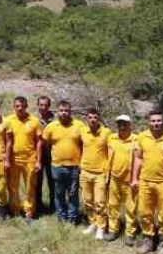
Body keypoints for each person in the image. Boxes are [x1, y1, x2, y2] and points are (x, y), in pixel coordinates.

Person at [132, 110, 163, 254]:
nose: (156, 123)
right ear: (148, 121)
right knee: (145, 213)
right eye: (153, 121)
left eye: (159, 120)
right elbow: (138, 159)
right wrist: (134, 178)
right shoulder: (141, 137)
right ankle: (148, 240)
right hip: (145, 181)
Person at [42, 100, 85, 224]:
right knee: (59, 193)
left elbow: (85, 143)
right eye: (61, 110)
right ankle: (61, 216)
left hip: (75, 166)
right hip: (57, 166)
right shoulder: (51, 127)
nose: (64, 113)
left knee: (73, 193)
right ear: (57, 112)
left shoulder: (79, 125)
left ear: (70, 111)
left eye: (66, 110)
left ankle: (72, 218)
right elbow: (45, 144)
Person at [4, 96, 43, 223]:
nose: (19, 109)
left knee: (30, 187)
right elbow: (6, 140)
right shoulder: (8, 120)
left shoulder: (34, 121)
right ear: (13, 107)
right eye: (17, 106)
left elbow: (39, 142)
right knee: (12, 186)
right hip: (14, 159)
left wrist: (38, 160)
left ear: (26, 106)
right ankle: (15, 209)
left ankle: (29, 212)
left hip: (30, 159)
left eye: (22, 106)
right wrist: (7, 159)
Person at [79, 108, 112, 240]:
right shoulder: (83, 131)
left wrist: (109, 172)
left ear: (99, 118)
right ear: (87, 119)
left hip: (100, 173)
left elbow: (111, 151)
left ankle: (101, 227)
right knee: (87, 201)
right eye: (90, 117)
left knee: (100, 202)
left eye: (95, 117)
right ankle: (92, 222)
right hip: (85, 171)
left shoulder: (106, 132)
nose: (92, 120)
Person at [105, 115, 138, 246]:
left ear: (130, 125)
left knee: (131, 208)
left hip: (130, 180)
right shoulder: (111, 138)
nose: (122, 127)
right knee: (113, 206)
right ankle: (114, 230)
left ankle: (130, 233)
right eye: (119, 124)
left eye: (125, 124)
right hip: (114, 178)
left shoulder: (136, 139)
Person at [35, 96, 56, 216]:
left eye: (46, 105)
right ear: (38, 105)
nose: (43, 107)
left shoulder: (55, 120)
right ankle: (38, 206)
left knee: (53, 182)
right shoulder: (33, 119)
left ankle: (53, 206)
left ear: (49, 106)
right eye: (41, 105)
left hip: (51, 155)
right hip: (37, 155)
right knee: (37, 182)